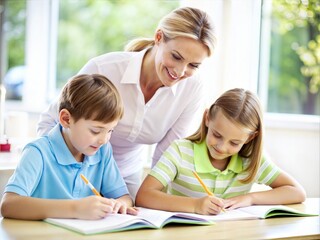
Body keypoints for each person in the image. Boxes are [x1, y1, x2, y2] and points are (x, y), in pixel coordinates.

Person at [36, 6, 216, 199]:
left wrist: (155, 198)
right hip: (74, 171)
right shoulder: (104, 69)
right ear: (159, 38)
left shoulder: (192, 89)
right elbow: (49, 122)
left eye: (193, 65)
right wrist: (64, 170)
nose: (180, 72)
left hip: (125, 180)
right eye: (176, 57)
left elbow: (167, 155)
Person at [135, 88, 306, 215]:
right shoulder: (181, 151)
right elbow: (144, 196)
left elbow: (296, 192)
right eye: (217, 135)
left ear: (250, 138)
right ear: (207, 118)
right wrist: (195, 205)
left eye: (234, 142)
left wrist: (250, 198)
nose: (222, 147)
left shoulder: (251, 160)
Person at [0, 74, 137, 220]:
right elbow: (9, 205)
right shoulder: (38, 152)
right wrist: (76, 208)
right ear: (66, 119)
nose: (104, 139)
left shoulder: (102, 151)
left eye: (110, 131)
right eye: (95, 131)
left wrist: (119, 204)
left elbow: (124, 197)